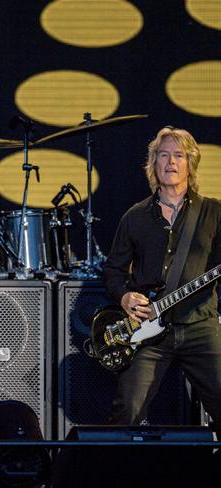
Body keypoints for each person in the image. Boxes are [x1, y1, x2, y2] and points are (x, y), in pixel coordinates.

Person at [104, 126, 221, 426]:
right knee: (126, 413)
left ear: (190, 163)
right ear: (154, 163)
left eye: (179, 155)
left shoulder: (214, 212)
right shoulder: (135, 216)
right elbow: (114, 272)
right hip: (147, 331)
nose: (171, 162)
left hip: (199, 326)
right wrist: (125, 296)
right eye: (164, 155)